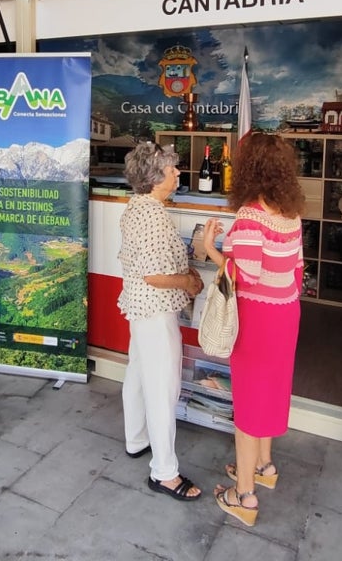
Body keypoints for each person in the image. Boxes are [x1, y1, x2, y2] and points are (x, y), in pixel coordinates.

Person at [202, 133, 304, 527]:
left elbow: (243, 274)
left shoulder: (249, 216)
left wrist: (211, 248)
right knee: (272, 390)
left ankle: (244, 496)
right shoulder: (291, 213)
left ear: (249, 168)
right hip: (287, 315)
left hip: (257, 320)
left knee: (247, 406)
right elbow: (297, 270)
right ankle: (264, 466)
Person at [117, 141, 205, 503]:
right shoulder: (153, 214)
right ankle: (164, 472)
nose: (178, 173)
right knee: (162, 390)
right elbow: (155, 274)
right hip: (155, 310)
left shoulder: (137, 207)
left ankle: (136, 439)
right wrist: (188, 281)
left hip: (140, 309)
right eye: (173, 169)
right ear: (156, 177)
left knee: (138, 376)